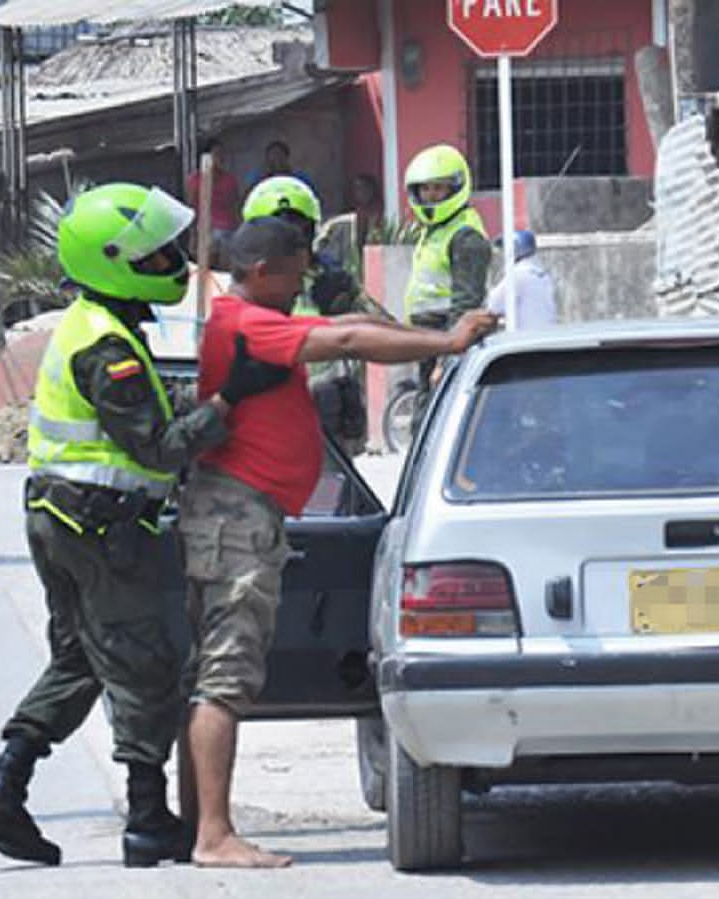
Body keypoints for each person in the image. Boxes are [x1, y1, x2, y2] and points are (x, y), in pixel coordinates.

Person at [0, 182, 293, 869]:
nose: (171, 261)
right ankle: (147, 820)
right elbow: (158, 447)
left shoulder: (99, 325)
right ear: (115, 260)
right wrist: (232, 398)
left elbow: (143, 416)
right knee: (143, 668)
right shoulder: (103, 347)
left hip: (67, 518)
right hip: (98, 527)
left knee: (83, 658)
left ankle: (4, 793)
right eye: (157, 253)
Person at [178, 218, 497, 868]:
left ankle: (198, 824)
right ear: (264, 270)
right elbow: (349, 335)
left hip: (242, 511)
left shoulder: (240, 317)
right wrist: (447, 337)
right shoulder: (250, 324)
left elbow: (347, 319)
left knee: (217, 672)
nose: (300, 289)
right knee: (225, 674)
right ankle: (212, 834)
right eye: (295, 275)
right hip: (236, 516)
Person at [242, 175, 391, 455]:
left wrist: (342, 302)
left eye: (295, 229)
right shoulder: (246, 287)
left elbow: (381, 327)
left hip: (328, 421)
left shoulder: (330, 278)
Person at [403, 143, 492, 401]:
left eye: (438, 188)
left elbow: (466, 302)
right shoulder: (434, 231)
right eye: (425, 189)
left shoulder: (465, 236)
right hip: (428, 338)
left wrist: (447, 360)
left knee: (434, 415)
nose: (430, 196)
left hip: (448, 337)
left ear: (454, 188)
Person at [184, 137, 241, 267]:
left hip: (227, 231)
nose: (220, 158)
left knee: (226, 269)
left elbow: (236, 207)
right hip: (206, 231)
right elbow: (192, 208)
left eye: (222, 154)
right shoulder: (195, 180)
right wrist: (193, 237)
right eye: (216, 154)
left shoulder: (230, 180)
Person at [486, 230, 557, 330]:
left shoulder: (518, 274)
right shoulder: (542, 275)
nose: (502, 253)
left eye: (505, 248)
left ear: (516, 248)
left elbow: (492, 306)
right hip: (545, 335)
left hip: (525, 339)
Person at [246, 140, 314, 193]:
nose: (277, 159)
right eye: (273, 155)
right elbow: (249, 195)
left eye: (279, 154)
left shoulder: (300, 177)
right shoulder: (257, 177)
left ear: (286, 157)